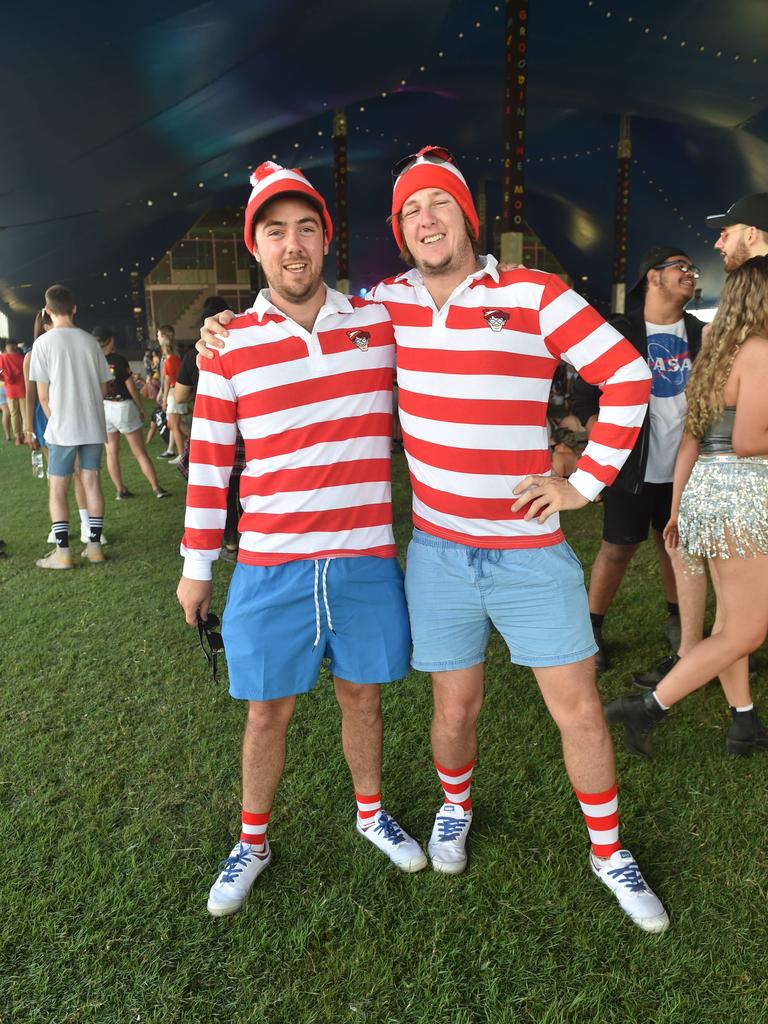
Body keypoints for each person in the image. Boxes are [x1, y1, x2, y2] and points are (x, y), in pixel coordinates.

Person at [198, 148, 669, 933]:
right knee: (453, 709)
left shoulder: (535, 293)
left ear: (465, 217)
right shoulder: (387, 306)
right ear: (399, 231)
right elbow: (306, 310)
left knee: (580, 710)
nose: (426, 218)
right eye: (411, 210)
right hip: (440, 551)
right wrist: (224, 323)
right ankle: (454, 808)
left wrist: (581, 483)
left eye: (439, 204)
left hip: (528, 548)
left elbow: (627, 373)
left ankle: (609, 851)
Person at [176, 162, 425, 918]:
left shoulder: (376, 322)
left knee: (364, 698)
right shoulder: (230, 345)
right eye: (276, 231)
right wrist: (195, 569)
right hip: (271, 561)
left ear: (326, 240)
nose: (294, 245)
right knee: (266, 712)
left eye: (307, 229)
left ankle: (371, 811)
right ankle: (252, 841)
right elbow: (211, 459)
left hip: (364, 556)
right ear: (256, 247)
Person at [605, 256, 768, 757]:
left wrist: (679, 506)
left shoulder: (717, 350)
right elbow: (746, 441)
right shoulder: (759, 351)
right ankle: (650, 706)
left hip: (707, 493)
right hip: (741, 493)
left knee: (729, 624)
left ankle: (743, 723)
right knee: (748, 630)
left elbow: (693, 437)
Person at [631, 194, 768, 689]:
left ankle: (730, 703)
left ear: (752, 234)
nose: (717, 242)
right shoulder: (735, 309)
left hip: (718, 479)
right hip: (731, 481)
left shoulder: (734, 315)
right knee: (741, 619)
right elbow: (709, 422)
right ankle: (696, 673)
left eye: (726, 232)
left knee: (739, 617)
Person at [571, 247, 704, 671]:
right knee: (617, 548)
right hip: (632, 467)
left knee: (676, 547)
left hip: (685, 467)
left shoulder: (701, 334)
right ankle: (591, 628)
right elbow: (585, 393)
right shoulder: (621, 330)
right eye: (680, 267)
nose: (690, 274)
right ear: (653, 277)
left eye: (691, 269)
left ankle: (680, 622)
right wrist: (602, 437)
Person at [29, 284, 111, 568]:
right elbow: (103, 387)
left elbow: (42, 395)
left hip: (63, 427)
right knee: (92, 483)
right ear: (74, 308)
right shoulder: (90, 342)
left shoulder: (43, 344)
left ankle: (63, 553)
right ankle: (95, 546)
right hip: (92, 424)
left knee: (58, 487)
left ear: (48, 311)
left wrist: (59, 421)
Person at [92, 326, 169, 500]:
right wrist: (140, 407)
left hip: (104, 408)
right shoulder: (119, 360)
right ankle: (156, 488)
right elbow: (132, 388)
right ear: (110, 340)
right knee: (140, 452)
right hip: (123, 406)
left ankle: (120, 490)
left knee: (111, 452)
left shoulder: (93, 360)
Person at [0, 340, 26, 444]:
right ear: (15, 346)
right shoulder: (21, 358)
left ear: (6, 347)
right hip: (22, 388)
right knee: (24, 414)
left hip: (10, 390)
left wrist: (4, 377)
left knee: (14, 413)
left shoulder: (2, 358)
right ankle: (26, 435)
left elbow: (0, 371)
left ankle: (17, 437)